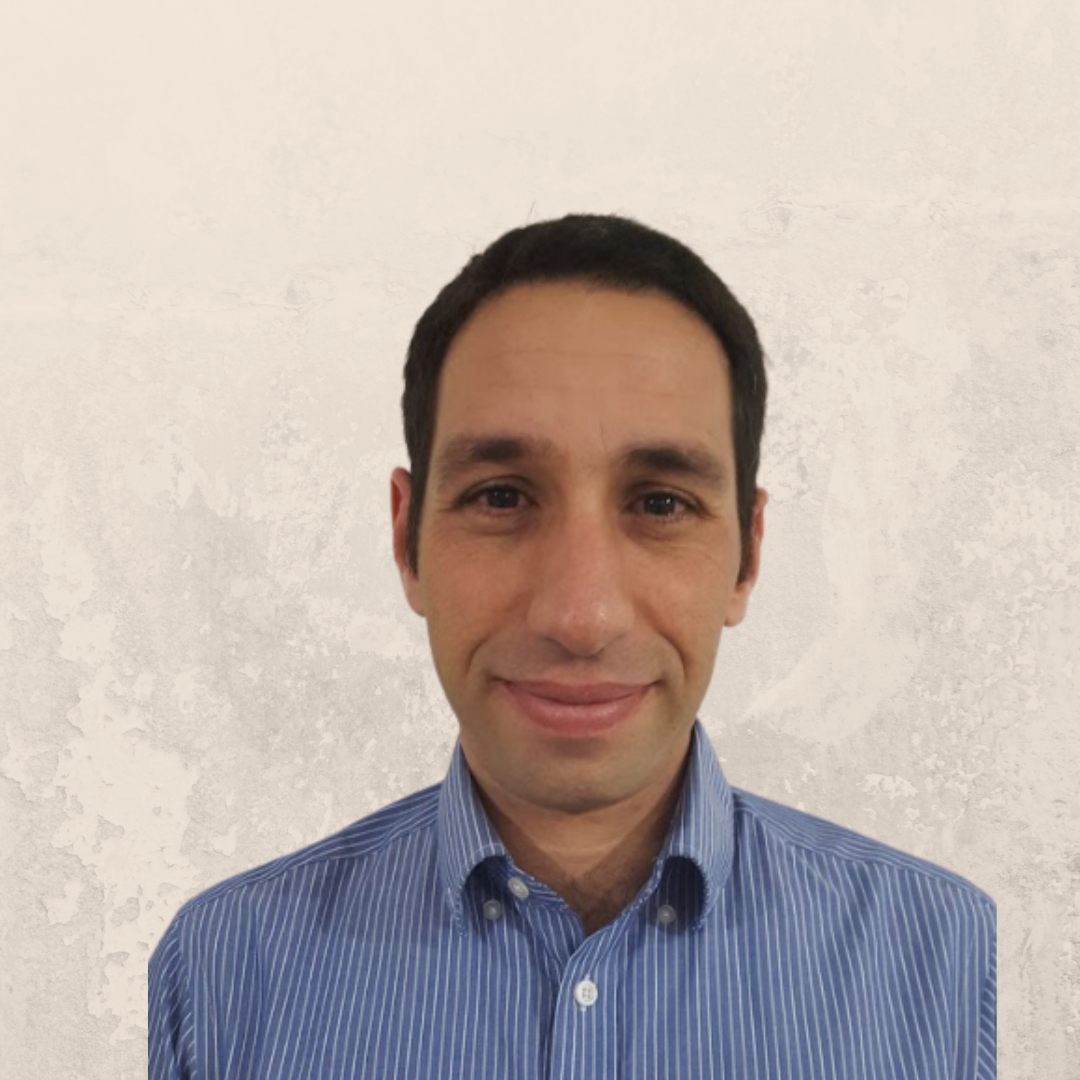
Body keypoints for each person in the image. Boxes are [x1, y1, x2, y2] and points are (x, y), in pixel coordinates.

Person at [148, 214, 996, 1079]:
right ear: (407, 542)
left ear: (747, 555)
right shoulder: (221, 973)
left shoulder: (942, 960)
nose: (581, 617)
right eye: (502, 497)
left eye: (660, 504)